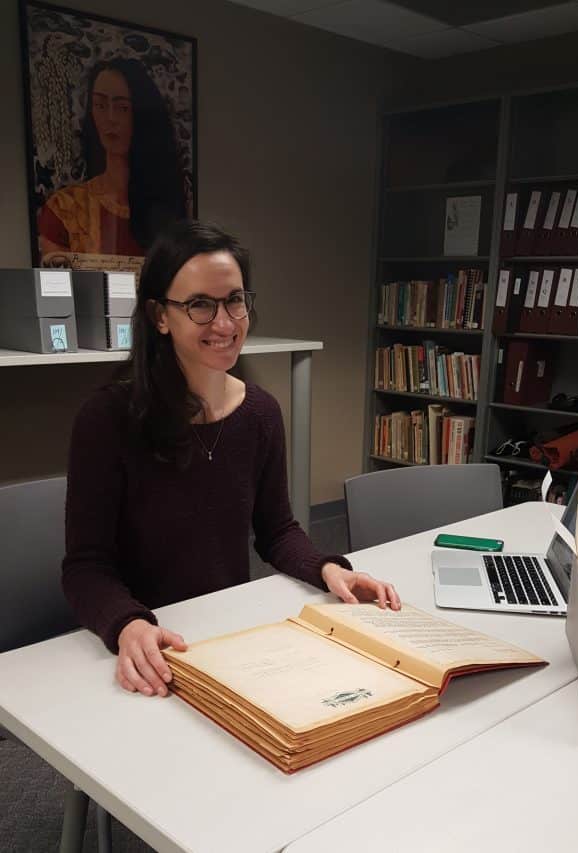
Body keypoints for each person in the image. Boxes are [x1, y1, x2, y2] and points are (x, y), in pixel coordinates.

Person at [62, 219, 400, 698]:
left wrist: (330, 570)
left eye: (235, 301)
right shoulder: (107, 419)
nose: (224, 324)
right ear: (160, 316)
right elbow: (85, 567)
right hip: (146, 642)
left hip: (228, 633)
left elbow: (277, 530)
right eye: (200, 305)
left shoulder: (260, 413)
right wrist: (128, 625)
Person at [38, 57, 186, 259]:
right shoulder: (65, 209)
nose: (110, 118)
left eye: (122, 108)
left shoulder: (168, 206)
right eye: (100, 105)